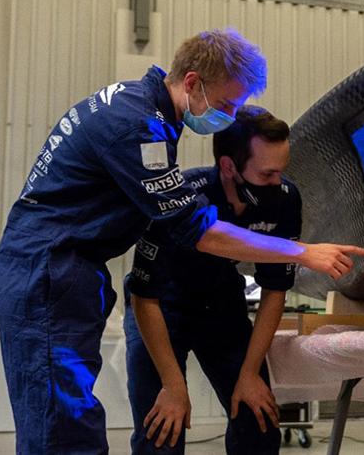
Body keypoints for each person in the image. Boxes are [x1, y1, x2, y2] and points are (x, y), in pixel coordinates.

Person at [0, 28, 364, 454]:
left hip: (67, 269)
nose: (228, 116)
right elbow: (197, 232)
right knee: (61, 424)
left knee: (71, 413)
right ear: (192, 82)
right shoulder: (137, 125)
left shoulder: (147, 115)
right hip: (48, 267)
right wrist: (303, 252)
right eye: (226, 104)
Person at [125, 106, 302, 454]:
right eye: (267, 174)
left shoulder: (284, 199)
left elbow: (275, 290)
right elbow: (144, 296)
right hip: (160, 308)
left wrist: (250, 374)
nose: (277, 182)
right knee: (161, 433)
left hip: (220, 303)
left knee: (259, 421)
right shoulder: (180, 198)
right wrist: (173, 385)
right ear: (228, 167)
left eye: (282, 171)